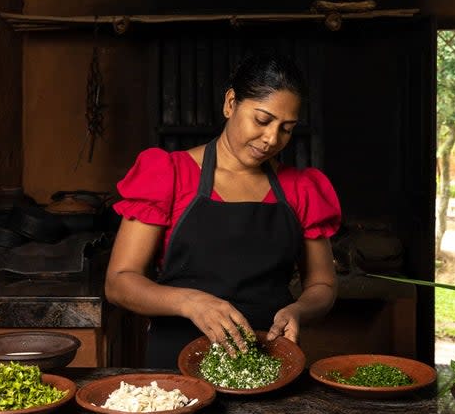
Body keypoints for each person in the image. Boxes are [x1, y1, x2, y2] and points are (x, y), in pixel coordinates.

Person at [105, 53, 341, 368]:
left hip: (268, 362)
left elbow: (322, 285)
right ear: (231, 103)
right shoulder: (169, 174)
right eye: (262, 120)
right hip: (176, 363)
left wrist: (299, 309)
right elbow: (119, 282)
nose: (272, 138)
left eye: (286, 128)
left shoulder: (302, 188)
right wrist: (189, 301)